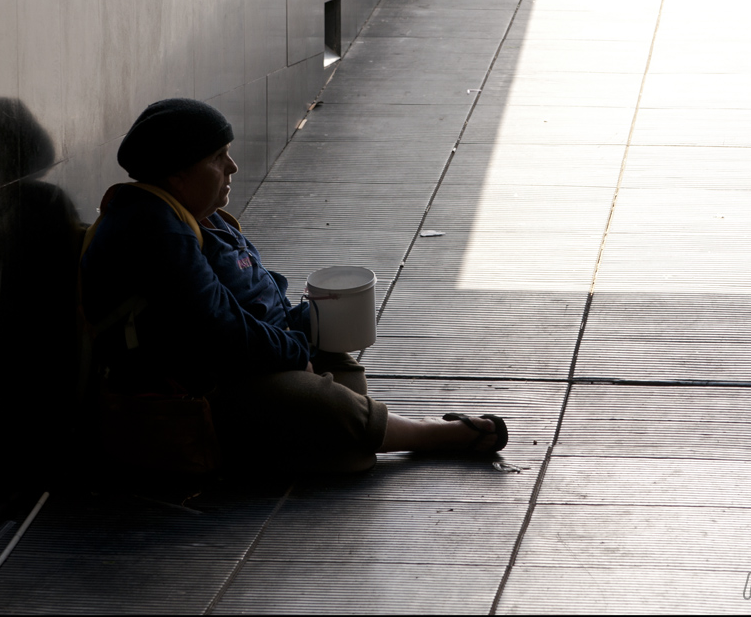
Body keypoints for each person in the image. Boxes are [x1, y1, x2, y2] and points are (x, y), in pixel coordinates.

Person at [79, 98, 506, 472]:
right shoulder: (152, 228)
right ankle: (432, 434)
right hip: (197, 390)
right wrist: (295, 353)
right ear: (176, 174)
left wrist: (310, 325)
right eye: (218, 158)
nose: (232, 167)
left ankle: (341, 435)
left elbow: (261, 295)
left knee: (340, 376)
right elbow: (218, 328)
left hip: (249, 363)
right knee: (328, 407)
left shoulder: (199, 214)